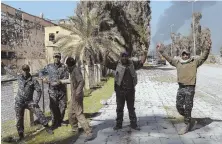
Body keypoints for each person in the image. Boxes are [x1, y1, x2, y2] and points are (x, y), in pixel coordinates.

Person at [156, 37, 212, 135]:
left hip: (190, 88)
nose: (185, 55)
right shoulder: (178, 63)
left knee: (188, 107)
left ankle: (186, 124)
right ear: (182, 55)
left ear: (189, 55)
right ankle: (189, 118)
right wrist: (161, 50)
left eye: (187, 54)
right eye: (184, 54)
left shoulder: (194, 62)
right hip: (181, 87)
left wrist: (207, 47)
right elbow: (169, 58)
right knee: (178, 106)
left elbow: (204, 57)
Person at [2, 62, 53, 141]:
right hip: (19, 102)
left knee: (39, 112)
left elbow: (39, 91)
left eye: (26, 70)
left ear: (29, 70)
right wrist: (3, 65)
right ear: (22, 70)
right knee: (19, 119)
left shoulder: (33, 80)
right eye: (23, 70)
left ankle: (47, 127)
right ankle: (21, 135)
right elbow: (11, 72)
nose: (25, 72)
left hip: (29, 101)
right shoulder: (19, 77)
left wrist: (36, 102)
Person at [103, 50, 147, 130]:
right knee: (119, 109)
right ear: (121, 57)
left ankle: (134, 124)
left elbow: (141, 63)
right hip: (120, 91)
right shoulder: (117, 64)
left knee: (131, 108)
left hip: (130, 91)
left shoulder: (132, 63)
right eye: (123, 56)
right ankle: (118, 125)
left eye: (126, 56)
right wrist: (105, 56)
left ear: (128, 57)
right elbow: (107, 64)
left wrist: (144, 54)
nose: (124, 57)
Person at [59, 57, 93, 142]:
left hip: (77, 96)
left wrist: (77, 93)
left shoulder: (76, 70)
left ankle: (89, 132)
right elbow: (71, 81)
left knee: (78, 113)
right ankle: (75, 129)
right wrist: (61, 81)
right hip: (74, 96)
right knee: (70, 113)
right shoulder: (73, 70)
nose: (67, 67)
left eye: (67, 65)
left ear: (70, 65)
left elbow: (81, 81)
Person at [39, 52, 69, 130]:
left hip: (62, 90)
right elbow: (40, 72)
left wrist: (60, 81)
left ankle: (60, 121)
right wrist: (43, 78)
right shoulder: (49, 67)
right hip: (52, 90)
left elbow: (67, 77)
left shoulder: (64, 67)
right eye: (55, 57)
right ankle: (54, 122)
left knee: (63, 106)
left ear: (60, 58)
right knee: (53, 107)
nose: (56, 58)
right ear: (53, 58)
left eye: (58, 57)